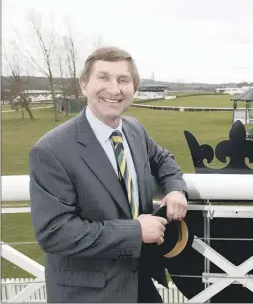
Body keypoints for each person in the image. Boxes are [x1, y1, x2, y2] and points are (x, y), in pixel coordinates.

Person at [28, 47, 189, 303]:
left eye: (123, 80)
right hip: (89, 293)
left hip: (140, 281)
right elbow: (55, 232)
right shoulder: (51, 150)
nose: (114, 89)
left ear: (133, 88)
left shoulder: (134, 129)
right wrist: (135, 232)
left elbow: (162, 159)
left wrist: (175, 189)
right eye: (103, 77)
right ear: (84, 84)